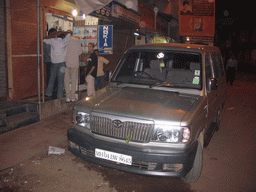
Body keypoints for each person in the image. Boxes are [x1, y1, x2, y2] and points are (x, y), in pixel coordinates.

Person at [43, 28, 72, 99]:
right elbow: (70, 33)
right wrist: (62, 32)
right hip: (62, 63)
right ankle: (60, 95)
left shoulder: (52, 41)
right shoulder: (64, 41)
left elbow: (44, 39)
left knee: (52, 78)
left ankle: (48, 93)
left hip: (54, 62)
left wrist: (53, 35)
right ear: (62, 37)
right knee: (61, 79)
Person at [64, 32, 82, 102]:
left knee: (66, 81)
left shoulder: (65, 41)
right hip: (74, 63)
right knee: (74, 81)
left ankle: (67, 97)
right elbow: (80, 52)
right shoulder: (77, 41)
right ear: (72, 34)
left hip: (66, 63)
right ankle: (73, 97)